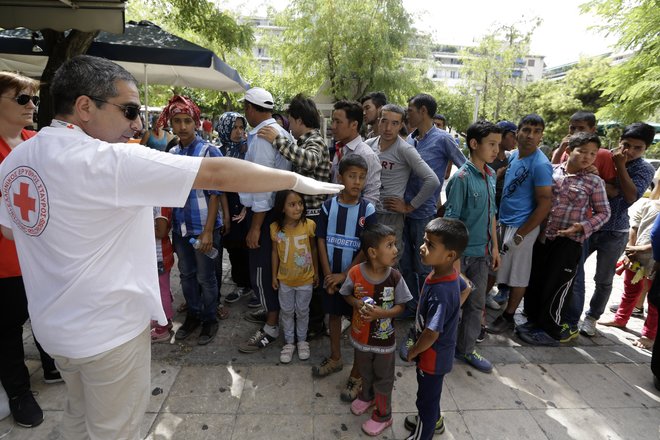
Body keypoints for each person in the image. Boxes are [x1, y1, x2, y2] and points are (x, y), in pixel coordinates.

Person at [0, 54, 341, 440]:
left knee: (78, 417)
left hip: (53, 330)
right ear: (84, 107)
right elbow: (216, 171)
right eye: (128, 109)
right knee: (113, 432)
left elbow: (14, 231)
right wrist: (298, 179)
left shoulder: (17, 161)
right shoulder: (106, 160)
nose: (137, 123)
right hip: (107, 335)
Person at [0, 71, 61, 429]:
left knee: (45, 313)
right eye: (22, 99)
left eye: (33, 99)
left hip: (41, 257)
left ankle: (52, 365)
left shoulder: (36, 142)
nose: (32, 105)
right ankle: (19, 392)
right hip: (6, 263)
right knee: (7, 330)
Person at [520, 132, 610, 345]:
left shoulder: (594, 181)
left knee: (557, 286)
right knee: (537, 281)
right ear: (569, 151)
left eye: (592, 154)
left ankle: (550, 330)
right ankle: (532, 321)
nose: (588, 157)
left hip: (569, 243)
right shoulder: (551, 172)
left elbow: (604, 213)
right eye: (582, 151)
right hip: (543, 238)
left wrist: (581, 226)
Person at [257, 94, 331, 338]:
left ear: (299, 120)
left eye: (290, 120)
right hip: (302, 215)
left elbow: (307, 161)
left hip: (313, 216)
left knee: (313, 271)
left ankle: (315, 323)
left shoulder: (315, 141)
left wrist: (279, 140)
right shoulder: (306, 140)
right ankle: (305, 319)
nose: (289, 125)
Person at [158, 95, 225, 346]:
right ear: (171, 124)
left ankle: (210, 318)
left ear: (196, 123)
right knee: (186, 274)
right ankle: (194, 316)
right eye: (177, 121)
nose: (182, 126)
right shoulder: (173, 153)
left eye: (187, 120)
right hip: (181, 229)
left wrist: (208, 232)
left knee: (206, 277)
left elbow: (217, 193)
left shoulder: (209, 151)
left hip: (204, 229)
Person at [578, 123, 655, 337]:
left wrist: (620, 166)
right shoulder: (602, 155)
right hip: (588, 225)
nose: (629, 151)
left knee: (603, 278)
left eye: (637, 148)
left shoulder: (645, 169)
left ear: (645, 149)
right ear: (620, 141)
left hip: (614, 231)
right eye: (626, 145)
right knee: (574, 271)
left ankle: (592, 317)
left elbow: (630, 196)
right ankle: (569, 312)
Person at [314, 155, 377, 398]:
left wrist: (344, 275)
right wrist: (329, 274)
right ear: (340, 177)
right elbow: (320, 239)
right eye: (352, 176)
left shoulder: (367, 210)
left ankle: (356, 373)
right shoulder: (328, 207)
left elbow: (367, 247)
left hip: (355, 279)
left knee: (359, 324)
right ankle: (336, 357)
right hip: (332, 277)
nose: (357, 182)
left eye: (362, 177)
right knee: (333, 316)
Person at [340, 224, 412, 436]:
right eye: (389, 245)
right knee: (365, 371)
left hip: (383, 342)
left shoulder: (395, 277)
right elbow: (346, 294)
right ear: (372, 252)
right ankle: (367, 396)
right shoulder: (355, 273)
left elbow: (403, 306)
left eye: (394, 244)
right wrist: (357, 304)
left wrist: (382, 314)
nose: (395, 250)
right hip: (360, 337)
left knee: (384, 377)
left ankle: (383, 414)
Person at [238, 87, 294, 353]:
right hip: (272, 210)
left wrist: (256, 226)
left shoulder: (263, 137)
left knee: (261, 271)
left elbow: (262, 186)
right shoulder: (278, 131)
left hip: (266, 212)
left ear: (251, 108)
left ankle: (271, 327)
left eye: (245, 108)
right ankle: (272, 313)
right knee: (270, 270)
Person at [400, 94, 466, 316]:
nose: (407, 113)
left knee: (423, 265)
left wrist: (453, 205)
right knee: (405, 262)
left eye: (411, 109)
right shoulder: (409, 139)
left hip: (424, 212)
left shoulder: (443, 139)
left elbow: (464, 169)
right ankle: (411, 307)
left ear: (423, 111)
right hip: (402, 211)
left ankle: (427, 309)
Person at [487, 114, 553, 334]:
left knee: (518, 274)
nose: (530, 135)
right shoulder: (515, 156)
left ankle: (508, 317)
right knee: (495, 268)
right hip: (504, 221)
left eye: (536, 131)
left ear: (541, 136)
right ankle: (481, 308)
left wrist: (522, 234)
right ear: (518, 133)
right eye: (526, 130)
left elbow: (545, 203)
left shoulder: (541, 164)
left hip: (522, 226)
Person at [403, 217, 469, 440]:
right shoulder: (445, 272)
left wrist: (414, 351)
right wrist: (452, 311)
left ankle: (425, 432)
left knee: (425, 400)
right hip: (435, 353)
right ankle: (435, 420)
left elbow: (431, 333)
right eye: (424, 241)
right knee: (431, 395)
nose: (423, 247)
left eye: (430, 245)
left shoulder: (441, 291)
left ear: (450, 255)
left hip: (432, 357)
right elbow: (466, 287)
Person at [444, 120, 501, 372]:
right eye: (491, 144)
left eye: (498, 144)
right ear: (474, 144)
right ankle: (435, 346)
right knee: (449, 305)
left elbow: (491, 216)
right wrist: (454, 260)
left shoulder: (490, 176)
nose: (496, 149)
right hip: (461, 256)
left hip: (483, 255)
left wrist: (496, 248)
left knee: (476, 305)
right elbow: (451, 222)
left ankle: (466, 350)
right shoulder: (462, 178)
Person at [599, 167, 660, 349]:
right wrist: (632, 248)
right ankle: (620, 319)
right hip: (636, 256)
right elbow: (634, 226)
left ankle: (648, 335)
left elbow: (657, 239)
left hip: (655, 260)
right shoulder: (648, 204)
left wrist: (639, 248)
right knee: (630, 289)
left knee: (654, 300)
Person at [375, 104, 440, 262]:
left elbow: (432, 180)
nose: (388, 127)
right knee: (368, 262)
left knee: (388, 264)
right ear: (378, 121)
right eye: (384, 121)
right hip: (368, 213)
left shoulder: (405, 149)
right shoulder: (368, 145)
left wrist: (409, 207)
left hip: (390, 217)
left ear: (401, 125)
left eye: (395, 123)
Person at [270, 190, 318, 363]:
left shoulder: (309, 225)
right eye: (292, 204)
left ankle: (302, 341)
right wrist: (274, 276)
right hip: (285, 280)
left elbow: (313, 249)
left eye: (300, 203)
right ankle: (289, 342)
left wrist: (316, 272)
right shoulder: (276, 229)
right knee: (287, 311)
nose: (298, 208)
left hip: (305, 279)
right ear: (282, 208)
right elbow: (275, 252)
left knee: (303, 311)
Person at [217, 111, 253, 304]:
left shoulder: (248, 150)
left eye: (241, 127)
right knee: (232, 247)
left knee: (246, 247)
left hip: (246, 205)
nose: (239, 132)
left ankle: (248, 285)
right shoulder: (217, 153)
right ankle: (241, 283)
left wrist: (247, 207)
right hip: (225, 206)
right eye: (234, 127)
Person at [330, 100, 381, 208]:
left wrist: (359, 219)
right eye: (333, 121)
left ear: (354, 125)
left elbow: (371, 195)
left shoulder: (366, 155)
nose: (333, 126)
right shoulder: (340, 149)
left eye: (338, 122)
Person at [151, 206, 175, 343]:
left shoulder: (160, 206)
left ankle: (163, 329)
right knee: (160, 289)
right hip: (158, 255)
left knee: (161, 291)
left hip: (159, 256)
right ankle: (165, 320)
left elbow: (161, 232)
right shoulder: (158, 202)